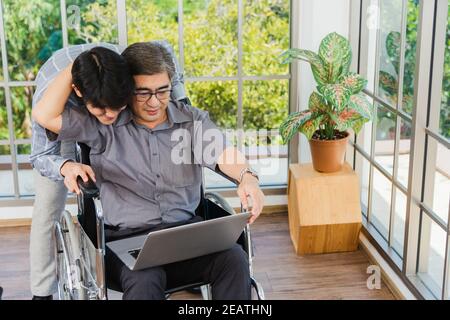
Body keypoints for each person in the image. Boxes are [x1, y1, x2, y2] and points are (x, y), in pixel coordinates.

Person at [33, 42, 265, 300]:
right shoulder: (103, 126)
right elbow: (44, 114)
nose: (155, 102)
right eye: (143, 93)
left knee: (233, 258)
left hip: (187, 235)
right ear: (127, 90)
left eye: (162, 91)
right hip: (127, 244)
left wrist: (247, 177)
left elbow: (223, 153)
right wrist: (76, 67)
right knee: (145, 278)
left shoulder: (191, 121)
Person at [29, 41, 185, 300]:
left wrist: (180, 111)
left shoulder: (126, 73)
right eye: (102, 110)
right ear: (78, 91)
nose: (111, 115)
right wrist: (66, 166)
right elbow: (40, 155)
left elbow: (163, 51)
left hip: (103, 82)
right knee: (48, 204)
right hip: (63, 105)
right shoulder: (53, 97)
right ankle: (42, 293)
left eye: (118, 106)